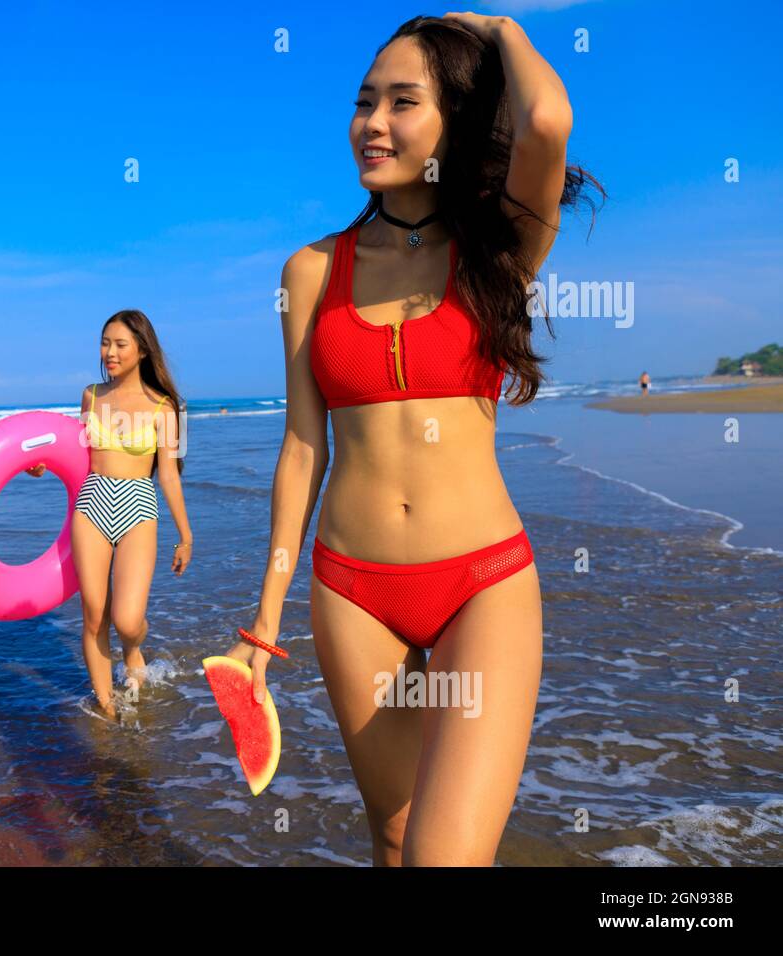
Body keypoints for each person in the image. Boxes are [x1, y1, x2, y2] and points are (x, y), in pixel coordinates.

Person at [220, 13, 603, 865]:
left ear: (454, 123)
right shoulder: (312, 269)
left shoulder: (498, 249)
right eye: (363, 103)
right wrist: (266, 615)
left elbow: (545, 123)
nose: (373, 124)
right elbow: (301, 445)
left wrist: (500, 27)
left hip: (481, 583)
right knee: (392, 839)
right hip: (352, 590)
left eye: (402, 102)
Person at [26, 310, 192, 720]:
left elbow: (168, 475)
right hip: (92, 502)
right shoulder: (91, 395)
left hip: (139, 506)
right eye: (105, 343)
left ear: (141, 349)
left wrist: (186, 536)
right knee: (95, 611)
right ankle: (106, 705)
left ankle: (133, 649)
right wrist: (42, 465)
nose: (110, 352)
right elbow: (76, 452)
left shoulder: (164, 408)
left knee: (128, 619)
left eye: (120, 344)